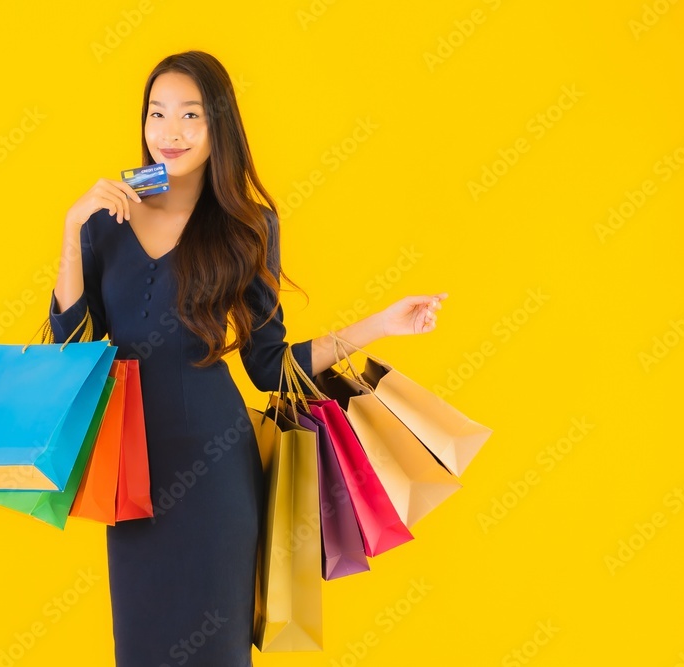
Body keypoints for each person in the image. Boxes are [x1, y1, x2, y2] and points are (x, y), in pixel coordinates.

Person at [49, 50, 446, 667]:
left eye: (190, 115)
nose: (170, 131)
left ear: (219, 128)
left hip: (216, 475)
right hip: (134, 479)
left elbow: (270, 365)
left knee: (215, 652)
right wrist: (71, 230)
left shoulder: (247, 227)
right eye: (157, 114)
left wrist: (381, 325)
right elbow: (69, 352)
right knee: (141, 650)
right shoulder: (105, 222)